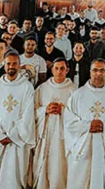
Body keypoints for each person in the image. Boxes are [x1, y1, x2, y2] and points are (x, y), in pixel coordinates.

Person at [64, 59, 105, 188]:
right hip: (82, 150)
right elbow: (69, 121)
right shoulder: (78, 95)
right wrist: (88, 126)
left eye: (102, 70)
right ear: (90, 72)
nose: (98, 74)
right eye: (95, 70)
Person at [0, 53, 36, 188]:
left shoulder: (27, 87)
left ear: (19, 65)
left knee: (13, 178)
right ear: (4, 65)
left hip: (17, 141)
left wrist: (13, 135)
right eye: (8, 63)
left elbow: (28, 115)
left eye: (14, 63)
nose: (11, 66)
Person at [33, 58, 76, 189]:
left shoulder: (74, 91)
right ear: (51, 70)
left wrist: (62, 111)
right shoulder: (42, 88)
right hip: (45, 133)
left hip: (63, 137)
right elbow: (32, 111)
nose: (59, 72)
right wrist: (44, 110)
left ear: (67, 70)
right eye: (56, 68)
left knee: (59, 166)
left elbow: (78, 117)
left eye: (62, 68)